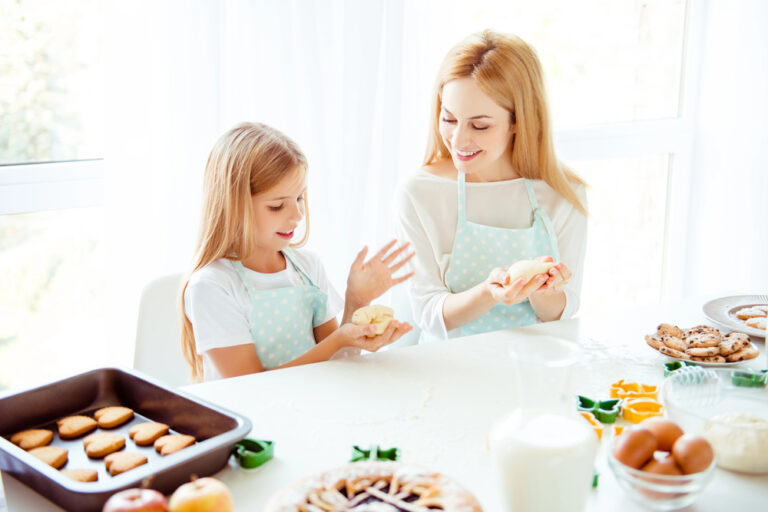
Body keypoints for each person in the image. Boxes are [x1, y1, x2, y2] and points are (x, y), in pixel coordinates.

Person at [394, 30, 588, 342]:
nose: (458, 140)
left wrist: (542, 290)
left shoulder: (564, 195)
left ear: (518, 121)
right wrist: (490, 292)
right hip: (449, 374)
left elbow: (564, 311)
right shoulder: (419, 194)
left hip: (533, 373)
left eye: (480, 125)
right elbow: (428, 313)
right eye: (449, 119)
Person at [181, 122, 413, 381]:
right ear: (234, 207)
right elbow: (248, 385)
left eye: (300, 198)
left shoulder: (307, 267)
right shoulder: (212, 286)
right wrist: (338, 340)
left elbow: (338, 360)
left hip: (309, 405)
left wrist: (356, 302)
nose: (297, 214)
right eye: (277, 206)